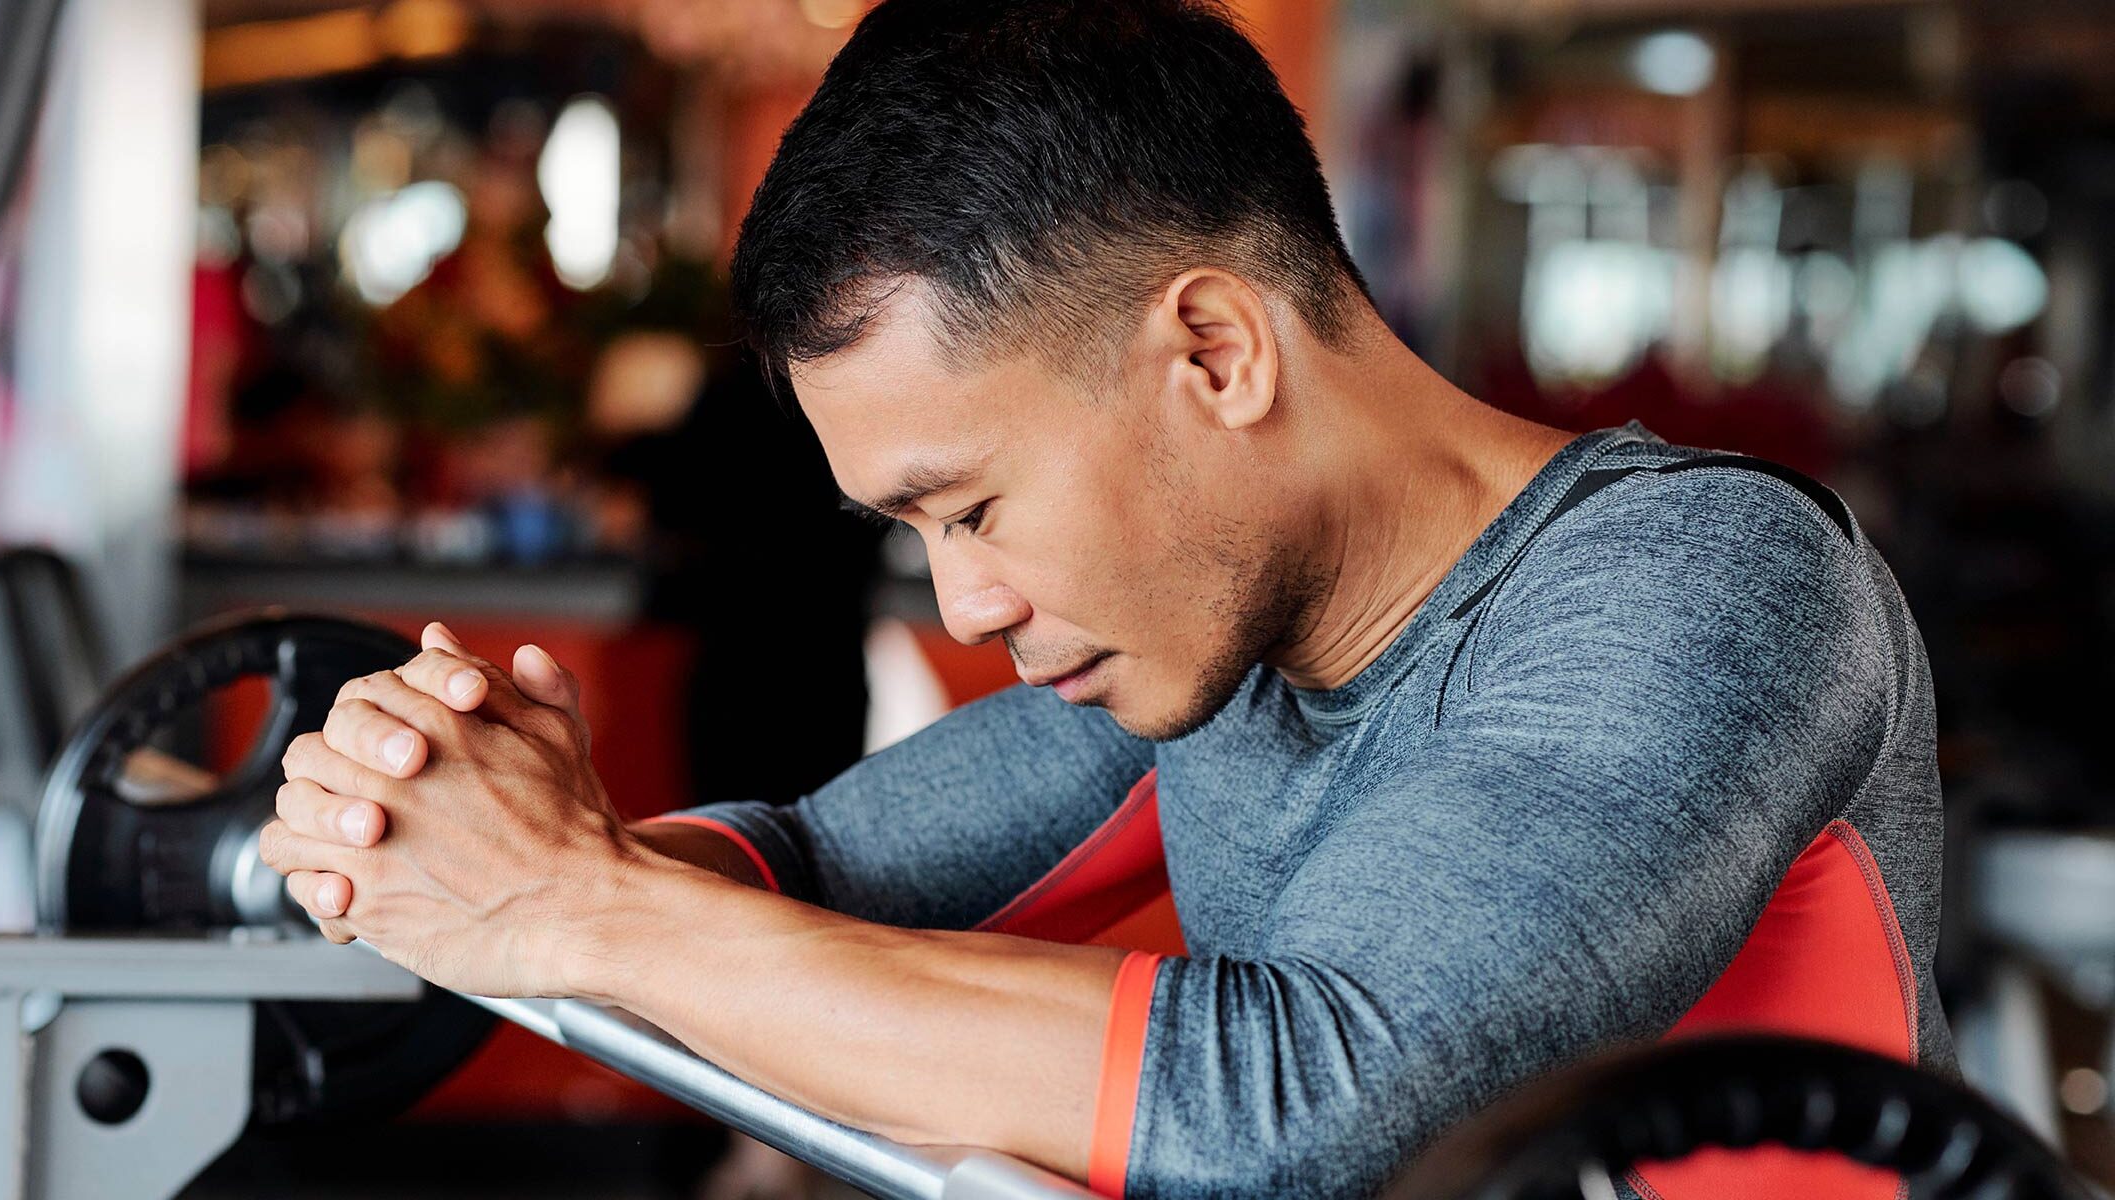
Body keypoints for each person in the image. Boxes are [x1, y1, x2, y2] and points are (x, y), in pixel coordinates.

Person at [253, 2, 1947, 1196]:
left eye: (975, 507)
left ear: (1212, 351)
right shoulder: (1220, 642)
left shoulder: (1704, 582)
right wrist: (461, 836)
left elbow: (1296, 1105)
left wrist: (577, 905)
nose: (964, 603)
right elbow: (815, 873)